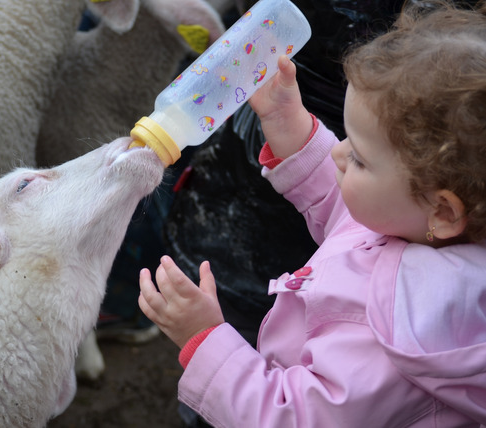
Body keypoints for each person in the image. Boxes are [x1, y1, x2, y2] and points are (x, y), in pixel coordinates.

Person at [138, 0, 486, 426]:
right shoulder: (421, 224)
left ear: (444, 210)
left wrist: (204, 338)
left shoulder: (398, 334)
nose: (338, 154)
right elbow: (351, 220)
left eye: (359, 157)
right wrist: (290, 125)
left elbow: (294, 418)